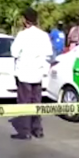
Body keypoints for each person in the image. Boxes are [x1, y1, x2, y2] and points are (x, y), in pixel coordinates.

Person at [10, 8, 53, 140]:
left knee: (24, 102)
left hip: (24, 74)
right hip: (38, 74)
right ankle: (38, 129)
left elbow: (14, 53)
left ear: (25, 20)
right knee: (36, 102)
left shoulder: (22, 35)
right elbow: (49, 54)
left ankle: (25, 131)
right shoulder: (44, 35)